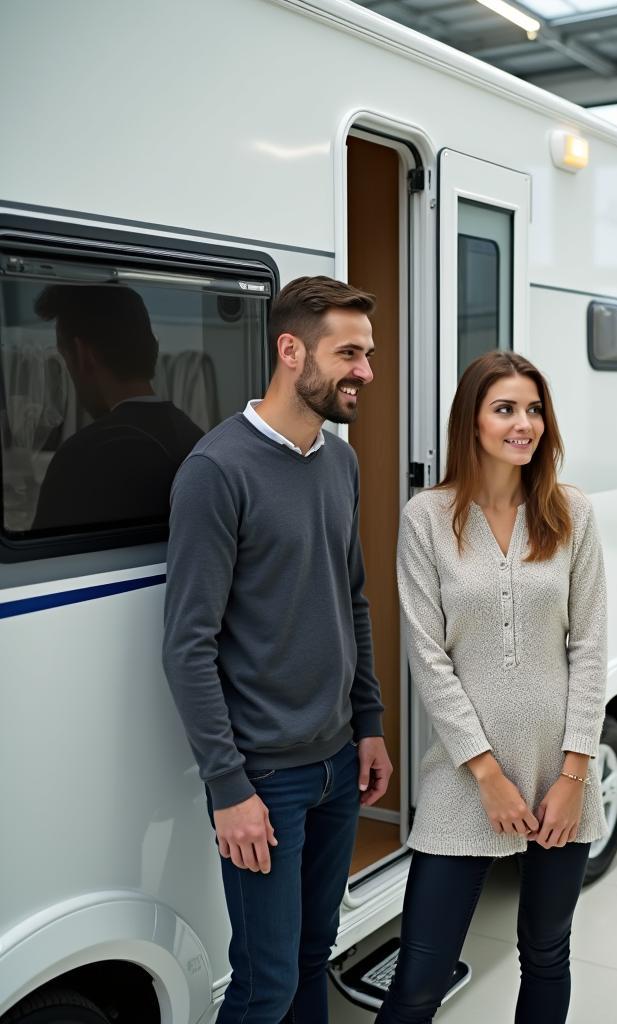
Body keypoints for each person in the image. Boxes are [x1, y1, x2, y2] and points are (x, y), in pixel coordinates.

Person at [162, 275, 393, 1024]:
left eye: (368, 353)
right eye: (349, 353)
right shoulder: (217, 470)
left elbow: (349, 598)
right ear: (291, 351)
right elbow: (187, 646)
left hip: (336, 764)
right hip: (266, 776)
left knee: (309, 957)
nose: (365, 370)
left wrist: (369, 724)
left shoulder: (340, 463)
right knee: (265, 986)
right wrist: (229, 787)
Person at [377, 351, 607, 1024]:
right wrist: (485, 772)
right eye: (505, 408)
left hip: (560, 770)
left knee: (545, 953)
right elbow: (427, 655)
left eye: (534, 410)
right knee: (419, 976)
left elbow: (589, 646)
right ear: (470, 421)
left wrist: (573, 773)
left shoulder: (573, 514)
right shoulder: (427, 516)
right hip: (464, 775)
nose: (524, 424)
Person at [31, 284, 203, 530]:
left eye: (64, 358)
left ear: (82, 355)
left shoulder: (81, 457)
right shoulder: (197, 439)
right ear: (153, 347)